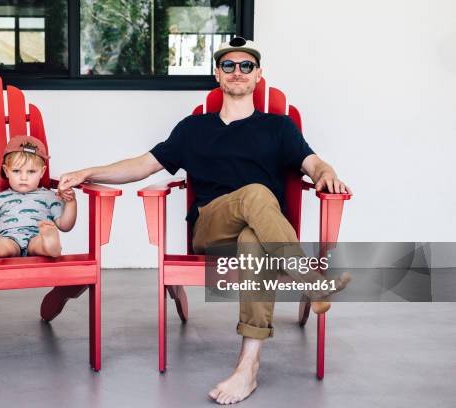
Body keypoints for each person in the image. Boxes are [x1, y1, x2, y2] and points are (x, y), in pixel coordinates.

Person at [58, 37, 352, 405]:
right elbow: (140, 166)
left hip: (263, 234)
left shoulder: (280, 127)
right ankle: (308, 277)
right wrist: (88, 170)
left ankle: (248, 368)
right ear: (218, 74)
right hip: (210, 229)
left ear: (258, 75)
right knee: (257, 193)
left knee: (253, 244)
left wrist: (329, 173)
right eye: (229, 66)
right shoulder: (193, 128)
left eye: (246, 66)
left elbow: (315, 165)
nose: (238, 72)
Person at [0, 135, 77, 262]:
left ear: (42, 172)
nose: (24, 177)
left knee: (39, 244)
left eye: (31, 171)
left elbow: (65, 225)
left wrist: (71, 202)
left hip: (37, 237)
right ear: (6, 171)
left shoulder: (50, 196)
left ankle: (50, 244)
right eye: (17, 171)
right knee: (2, 245)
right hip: (9, 239)